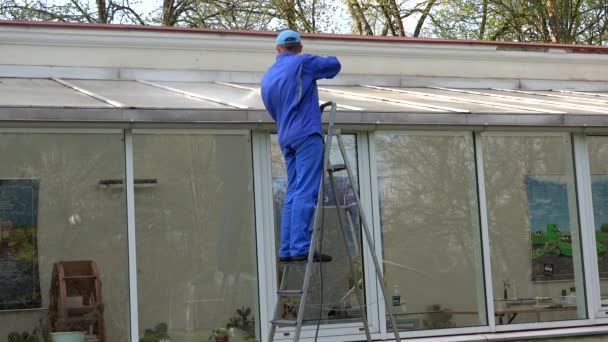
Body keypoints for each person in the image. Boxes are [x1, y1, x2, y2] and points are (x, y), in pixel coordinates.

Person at [261, 30, 341, 263]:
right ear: (300, 47)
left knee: (293, 191)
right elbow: (334, 65)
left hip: (285, 135)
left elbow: (272, 108)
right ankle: (300, 247)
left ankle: (286, 249)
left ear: (278, 49)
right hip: (306, 133)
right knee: (306, 189)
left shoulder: (268, 76)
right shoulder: (302, 63)